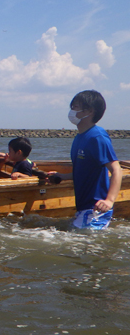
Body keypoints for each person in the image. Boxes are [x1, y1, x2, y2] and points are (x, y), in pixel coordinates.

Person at [49, 90, 121, 230]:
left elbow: (116, 169)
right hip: (83, 209)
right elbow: (84, 170)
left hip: (95, 209)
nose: (71, 111)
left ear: (89, 111)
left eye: (75, 107)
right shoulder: (79, 138)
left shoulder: (97, 136)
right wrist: (61, 176)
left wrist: (109, 200)